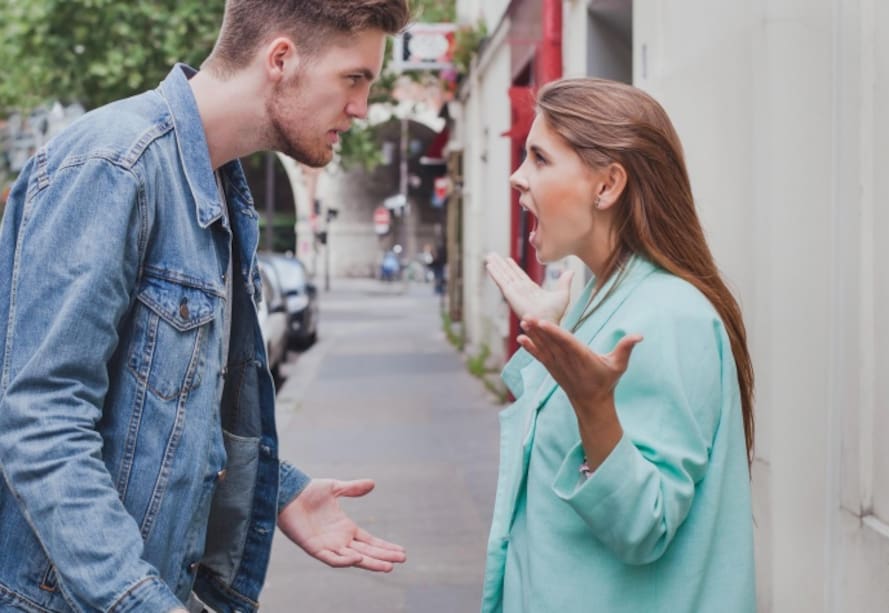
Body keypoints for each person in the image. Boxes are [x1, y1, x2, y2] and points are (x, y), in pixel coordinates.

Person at [0, 1, 410, 611]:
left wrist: (280, 491)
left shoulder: (219, 182)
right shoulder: (115, 166)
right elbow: (41, 423)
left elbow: (164, 405)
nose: (361, 108)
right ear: (281, 59)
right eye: (354, 78)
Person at [482, 78, 756, 613]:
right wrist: (549, 333)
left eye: (539, 158)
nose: (518, 177)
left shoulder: (668, 315)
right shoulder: (606, 296)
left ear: (607, 186)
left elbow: (643, 525)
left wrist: (594, 407)